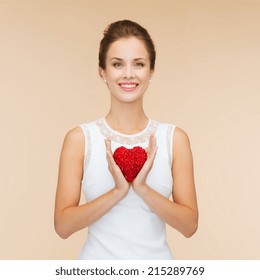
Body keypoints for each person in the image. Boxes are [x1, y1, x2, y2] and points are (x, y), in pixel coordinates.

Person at [54, 19, 198, 260]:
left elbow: (189, 225)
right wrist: (118, 191)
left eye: (139, 64)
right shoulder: (80, 139)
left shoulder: (174, 139)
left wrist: (141, 188)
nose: (129, 74)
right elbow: (63, 226)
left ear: (151, 70)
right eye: (117, 64)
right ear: (103, 71)